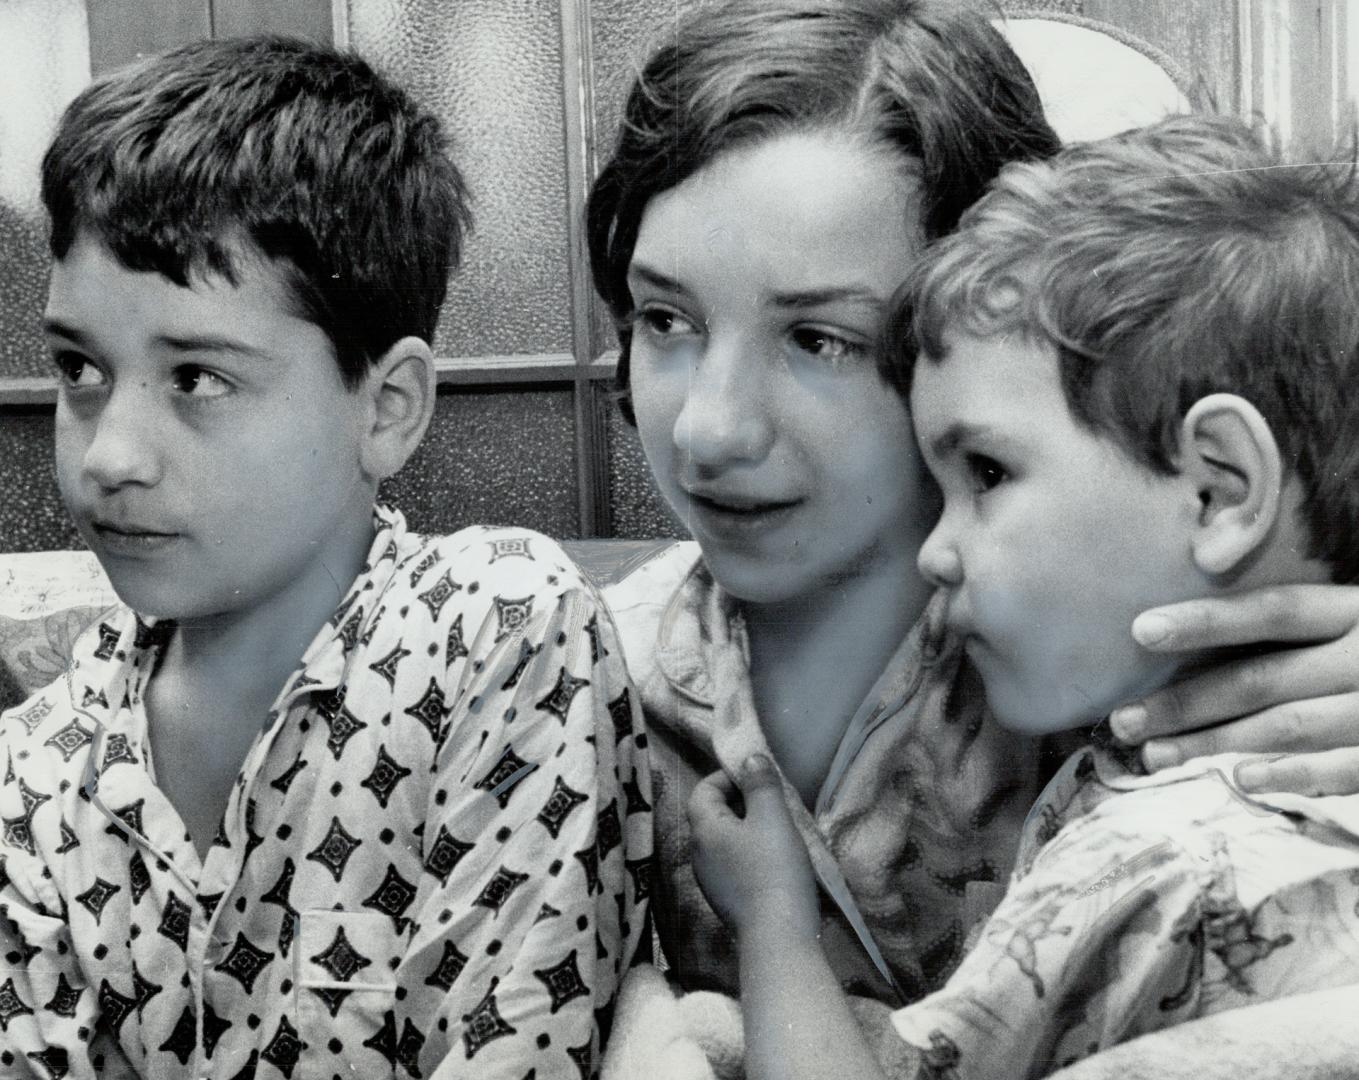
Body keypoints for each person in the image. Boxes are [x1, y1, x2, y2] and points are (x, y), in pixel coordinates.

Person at [589, 1, 1359, 1076]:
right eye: (663, 321)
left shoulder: (1159, 648)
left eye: (819, 339)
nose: (709, 427)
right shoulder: (568, 679)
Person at [0, 37, 651, 1078]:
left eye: (197, 378)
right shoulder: (36, 772)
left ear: (387, 409)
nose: (108, 455)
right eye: (80, 368)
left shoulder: (493, 635)